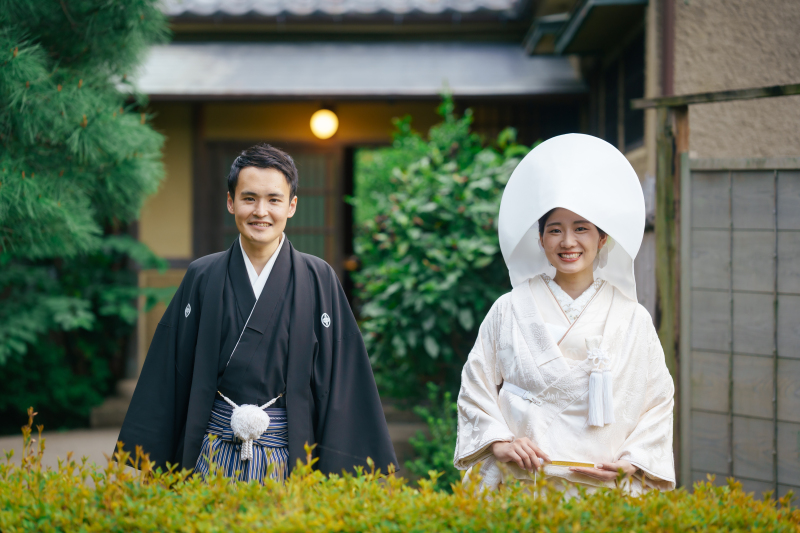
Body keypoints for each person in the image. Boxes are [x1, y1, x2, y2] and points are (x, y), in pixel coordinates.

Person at [118, 143, 397, 483]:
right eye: (249, 198)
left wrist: (341, 468)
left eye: (274, 200)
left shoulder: (318, 278)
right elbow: (169, 372)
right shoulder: (202, 276)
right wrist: (158, 458)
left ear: (291, 206)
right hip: (213, 450)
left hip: (288, 455)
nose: (260, 211)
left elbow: (341, 380)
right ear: (230, 202)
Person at [453, 134, 675, 495]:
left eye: (582, 229)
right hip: (522, 484)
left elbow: (658, 401)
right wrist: (499, 442)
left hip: (602, 488)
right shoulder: (509, 309)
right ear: (540, 240)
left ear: (603, 239)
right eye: (555, 230)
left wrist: (633, 461)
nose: (568, 242)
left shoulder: (632, 319)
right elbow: (474, 387)